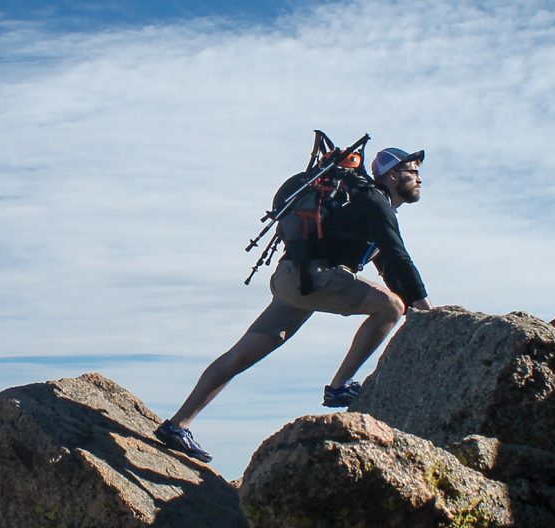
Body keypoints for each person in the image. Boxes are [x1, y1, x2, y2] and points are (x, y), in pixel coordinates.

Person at [154, 146, 433, 463]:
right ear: (393, 175)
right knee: (390, 307)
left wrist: (421, 309)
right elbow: (399, 257)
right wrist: (427, 313)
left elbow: (391, 267)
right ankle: (339, 387)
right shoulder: (373, 201)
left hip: (294, 278)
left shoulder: (366, 203)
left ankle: (178, 425)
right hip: (309, 277)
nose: (420, 178)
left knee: (240, 355)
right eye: (414, 171)